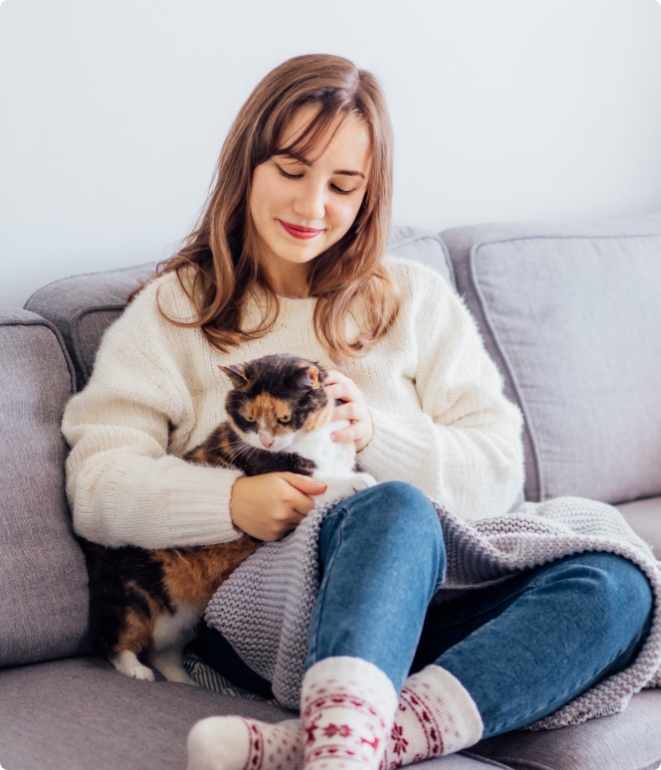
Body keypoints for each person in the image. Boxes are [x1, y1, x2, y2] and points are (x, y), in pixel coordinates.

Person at [62, 54, 653, 770]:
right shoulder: (177, 312)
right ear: (244, 165)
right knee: (389, 509)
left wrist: (377, 434)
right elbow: (97, 485)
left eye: (343, 185)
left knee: (617, 584)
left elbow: (501, 473)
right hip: (274, 613)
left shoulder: (413, 298)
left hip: (431, 607)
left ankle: (338, 744)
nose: (312, 207)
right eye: (289, 170)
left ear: (370, 194)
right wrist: (233, 501)